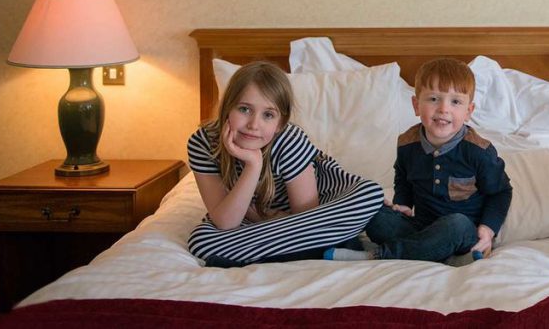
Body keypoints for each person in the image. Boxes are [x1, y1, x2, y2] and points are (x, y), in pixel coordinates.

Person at [187, 61, 384, 267]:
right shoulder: (202, 143)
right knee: (201, 241)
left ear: (280, 123)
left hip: (321, 207)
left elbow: (307, 217)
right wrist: (253, 166)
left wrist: (260, 218)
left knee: (370, 195)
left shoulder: (289, 139)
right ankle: (325, 248)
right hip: (281, 227)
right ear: (227, 108)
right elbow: (226, 222)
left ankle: (258, 253)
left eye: (268, 115)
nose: (254, 125)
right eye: (244, 109)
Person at [325, 58, 512, 264]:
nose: (443, 109)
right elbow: (403, 178)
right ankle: (423, 250)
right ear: (416, 105)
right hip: (420, 226)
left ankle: (379, 255)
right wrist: (402, 204)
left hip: (461, 232)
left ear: (468, 111)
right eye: (433, 99)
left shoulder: (478, 151)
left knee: (455, 224)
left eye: (455, 101)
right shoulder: (407, 144)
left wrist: (487, 229)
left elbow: (501, 192)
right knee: (372, 210)